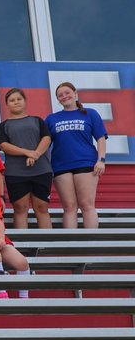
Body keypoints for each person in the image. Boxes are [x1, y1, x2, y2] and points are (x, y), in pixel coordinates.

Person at [47, 81, 108, 230]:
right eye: (60, 95)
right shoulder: (51, 119)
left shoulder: (90, 113)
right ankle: (70, 245)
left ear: (75, 93)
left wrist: (101, 160)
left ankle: (92, 244)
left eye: (67, 92)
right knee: (69, 207)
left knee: (87, 205)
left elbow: (100, 138)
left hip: (86, 164)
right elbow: (45, 144)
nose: (64, 96)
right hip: (61, 166)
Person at [0, 88, 53, 230]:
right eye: (12, 100)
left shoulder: (37, 121)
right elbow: (4, 146)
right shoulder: (3, 126)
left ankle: (49, 247)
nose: (16, 102)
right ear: (7, 105)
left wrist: (37, 154)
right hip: (16, 173)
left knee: (42, 207)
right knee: (20, 208)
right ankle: (23, 246)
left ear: (25, 101)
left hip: (41, 171)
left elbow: (47, 138)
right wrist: (28, 153)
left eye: (19, 99)